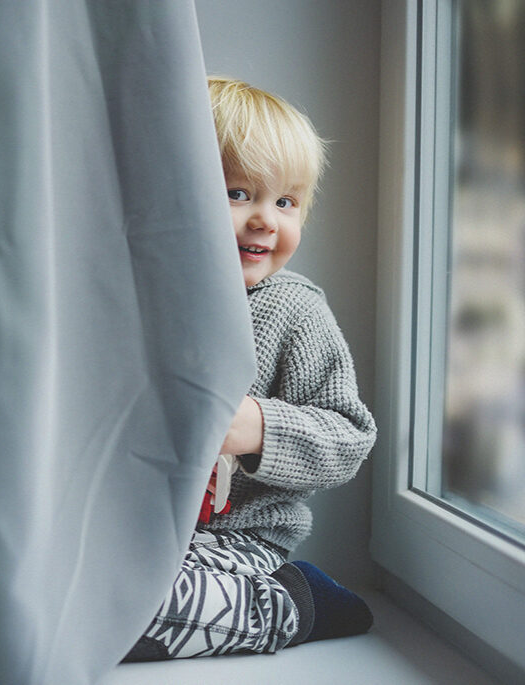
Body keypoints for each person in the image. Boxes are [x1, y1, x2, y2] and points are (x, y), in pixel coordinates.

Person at [123, 77, 378, 662]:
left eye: (286, 202)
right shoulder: (134, 299)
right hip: (128, 527)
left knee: (126, 608)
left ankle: (294, 602)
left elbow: (349, 435)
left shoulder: (294, 309)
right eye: (238, 193)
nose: (266, 219)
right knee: (49, 585)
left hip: (235, 539)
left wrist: (256, 425)